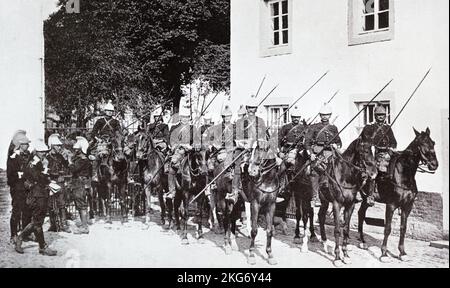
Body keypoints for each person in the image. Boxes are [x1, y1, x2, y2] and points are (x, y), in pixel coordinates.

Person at [15, 139, 57, 256]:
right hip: (36, 195)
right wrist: (45, 170)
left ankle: (39, 245)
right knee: (37, 221)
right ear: (37, 152)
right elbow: (38, 178)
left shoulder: (39, 162)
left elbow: (43, 178)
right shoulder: (34, 163)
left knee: (38, 221)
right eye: (42, 151)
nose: (44, 153)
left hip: (41, 193)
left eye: (45, 151)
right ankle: (23, 239)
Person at [305, 103, 342, 207]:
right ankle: (315, 196)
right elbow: (307, 143)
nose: (325, 117)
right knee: (315, 170)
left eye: (327, 115)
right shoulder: (314, 127)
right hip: (317, 152)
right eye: (323, 115)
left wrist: (336, 145)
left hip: (330, 152)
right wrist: (311, 154)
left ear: (330, 115)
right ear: (320, 116)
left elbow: (339, 142)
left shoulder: (333, 128)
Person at [164, 105, 194, 200]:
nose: (185, 119)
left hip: (190, 152)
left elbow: (196, 140)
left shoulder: (192, 128)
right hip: (178, 151)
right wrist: (177, 146)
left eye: (187, 117)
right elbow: (170, 140)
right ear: (180, 117)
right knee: (172, 165)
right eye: (184, 117)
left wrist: (191, 146)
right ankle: (172, 190)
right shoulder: (174, 127)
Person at [6, 134, 32, 244]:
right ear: (20, 145)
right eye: (26, 144)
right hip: (17, 188)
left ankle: (25, 234)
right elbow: (10, 175)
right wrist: (20, 176)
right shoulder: (13, 158)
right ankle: (13, 235)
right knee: (17, 211)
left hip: (27, 188)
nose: (28, 146)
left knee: (27, 210)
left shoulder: (28, 155)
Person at [360, 105, 397, 173]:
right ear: (375, 116)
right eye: (378, 115)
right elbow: (363, 141)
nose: (381, 116)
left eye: (382, 115)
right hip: (372, 154)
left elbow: (393, 142)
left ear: (385, 116)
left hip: (386, 154)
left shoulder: (387, 127)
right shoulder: (369, 127)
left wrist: (389, 153)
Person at [46, 134, 71, 233]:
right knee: (50, 203)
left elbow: (67, 166)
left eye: (59, 145)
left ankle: (63, 224)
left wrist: (67, 159)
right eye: (57, 145)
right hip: (50, 181)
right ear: (52, 145)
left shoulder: (60, 156)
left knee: (62, 203)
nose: (59, 147)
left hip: (59, 181)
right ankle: (53, 225)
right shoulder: (47, 157)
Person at [69, 136, 93, 233]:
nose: (75, 151)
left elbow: (73, 169)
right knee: (80, 203)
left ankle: (84, 227)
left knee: (81, 204)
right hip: (81, 182)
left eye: (77, 149)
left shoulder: (82, 160)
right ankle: (84, 224)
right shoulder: (83, 159)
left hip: (79, 183)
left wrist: (70, 161)